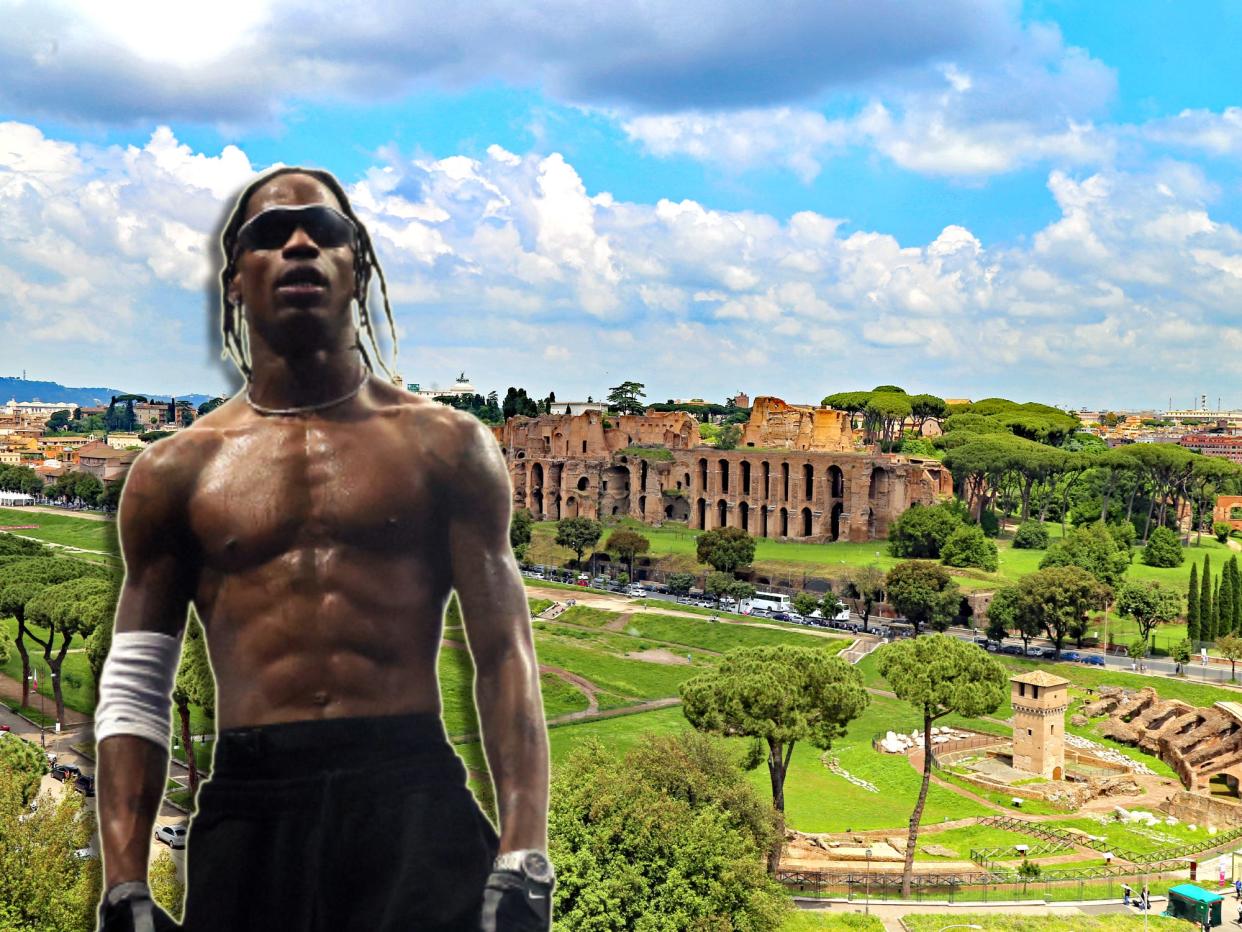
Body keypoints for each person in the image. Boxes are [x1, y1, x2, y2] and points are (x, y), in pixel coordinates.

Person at [95, 167, 553, 931]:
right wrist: (123, 882)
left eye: (325, 230)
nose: (300, 243)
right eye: (269, 234)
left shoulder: (447, 447)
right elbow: (138, 683)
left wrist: (523, 853)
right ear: (235, 279)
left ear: (358, 265)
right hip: (251, 810)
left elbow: (506, 655)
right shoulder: (174, 473)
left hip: (413, 796)